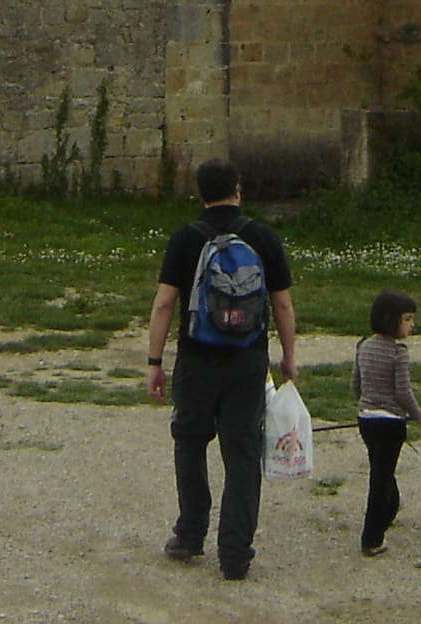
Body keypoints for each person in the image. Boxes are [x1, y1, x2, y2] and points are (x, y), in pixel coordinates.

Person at [145, 158, 297, 582]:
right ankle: (234, 554)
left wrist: (155, 362)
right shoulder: (263, 238)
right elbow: (282, 304)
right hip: (248, 361)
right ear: (238, 189)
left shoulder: (185, 239)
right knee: (243, 453)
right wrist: (288, 356)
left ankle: (190, 534)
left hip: (196, 359)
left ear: (200, 194)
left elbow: (164, 304)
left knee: (190, 442)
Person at [350, 288, 421, 557]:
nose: (411, 325)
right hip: (390, 423)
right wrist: (418, 414)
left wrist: (368, 403)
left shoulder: (363, 345)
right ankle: (372, 538)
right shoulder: (399, 353)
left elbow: (355, 385)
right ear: (390, 320)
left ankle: (390, 509)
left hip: (366, 420)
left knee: (382, 469)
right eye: (407, 319)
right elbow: (403, 392)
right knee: (380, 479)